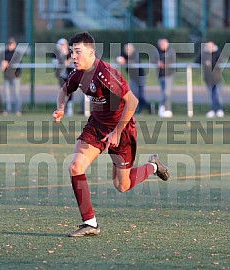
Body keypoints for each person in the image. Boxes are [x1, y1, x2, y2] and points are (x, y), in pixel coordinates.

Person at [52, 32, 170, 237]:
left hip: (122, 130)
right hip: (97, 127)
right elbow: (64, 90)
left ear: (91, 52)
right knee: (75, 166)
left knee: (121, 185)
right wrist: (61, 108)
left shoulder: (106, 74)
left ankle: (153, 166)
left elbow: (132, 102)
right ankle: (90, 223)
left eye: (78, 52)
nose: (74, 56)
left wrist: (117, 131)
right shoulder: (77, 73)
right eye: (72, 52)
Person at [116, 43, 151, 114]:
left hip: (140, 76)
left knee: (140, 94)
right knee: (133, 93)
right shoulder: (123, 54)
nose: (127, 51)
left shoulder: (135, 54)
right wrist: (119, 60)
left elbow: (133, 62)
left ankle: (147, 107)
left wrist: (124, 61)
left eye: (129, 49)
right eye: (126, 49)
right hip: (132, 77)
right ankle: (138, 109)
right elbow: (119, 60)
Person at [195, 40, 225, 118]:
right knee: (211, 95)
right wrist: (204, 63)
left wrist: (211, 63)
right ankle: (213, 110)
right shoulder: (203, 54)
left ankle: (220, 110)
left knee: (218, 94)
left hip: (217, 77)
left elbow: (221, 62)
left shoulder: (217, 53)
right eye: (207, 46)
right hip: (208, 78)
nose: (209, 47)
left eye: (210, 46)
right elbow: (197, 61)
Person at [154, 38, 176, 118]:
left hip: (169, 74)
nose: (162, 46)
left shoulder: (171, 51)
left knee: (167, 92)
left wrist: (165, 64)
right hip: (160, 75)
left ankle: (164, 108)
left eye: (163, 44)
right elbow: (153, 60)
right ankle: (165, 109)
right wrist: (157, 63)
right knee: (164, 92)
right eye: (161, 44)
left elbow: (173, 60)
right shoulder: (157, 51)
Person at [0, 38, 22, 116]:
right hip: (6, 76)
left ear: (14, 45)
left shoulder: (17, 53)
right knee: (7, 94)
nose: (10, 45)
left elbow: (17, 62)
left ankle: (17, 110)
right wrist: (3, 65)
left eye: (11, 44)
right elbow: (1, 63)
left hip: (15, 76)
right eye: (9, 44)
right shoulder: (4, 53)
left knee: (16, 93)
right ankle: (8, 109)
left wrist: (8, 63)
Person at [54, 38, 74, 116]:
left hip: (70, 74)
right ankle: (61, 109)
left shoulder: (70, 52)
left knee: (70, 91)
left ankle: (69, 108)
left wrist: (68, 61)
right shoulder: (57, 53)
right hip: (61, 75)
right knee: (62, 92)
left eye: (63, 44)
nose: (62, 46)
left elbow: (74, 58)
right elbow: (54, 61)